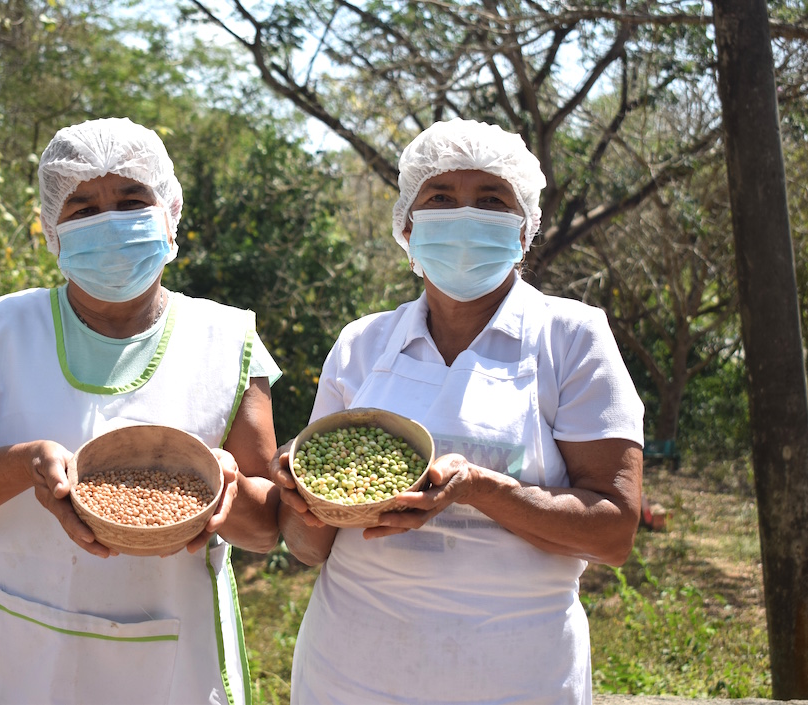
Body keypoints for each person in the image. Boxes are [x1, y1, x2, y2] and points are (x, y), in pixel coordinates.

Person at [0, 117, 281, 705]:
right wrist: (24, 464)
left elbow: (267, 529)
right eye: (82, 208)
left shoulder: (228, 342)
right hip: (15, 650)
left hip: (171, 661)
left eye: (131, 200)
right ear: (52, 230)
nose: (110, 223)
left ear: (170, 212)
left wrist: (224, 493)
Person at [271, 117, 645, 704]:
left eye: (491, 198)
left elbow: (614, 533)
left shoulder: (571, 337)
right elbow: (307, 546)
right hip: (351, 669)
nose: (464, 215)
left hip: (515, 675)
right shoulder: (363, 344)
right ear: (407, 227)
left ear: (523, 231)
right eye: (440, 197)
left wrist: (477, 488)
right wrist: (307, 498)